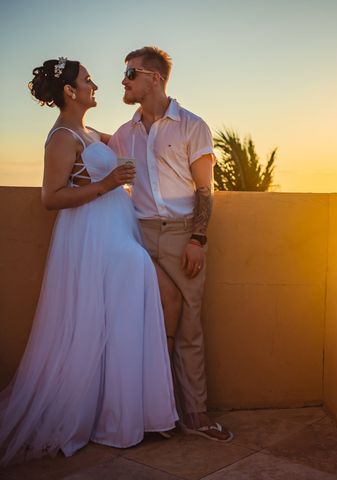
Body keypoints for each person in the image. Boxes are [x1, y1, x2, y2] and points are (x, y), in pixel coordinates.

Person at [0, 58, 178, 465]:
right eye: (87, 81)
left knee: (121, 313)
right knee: (128, 282)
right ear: (70, 92)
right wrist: (109, 183)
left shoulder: (90, 132)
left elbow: (135, 140)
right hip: (92, 238)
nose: (96, 85)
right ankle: (114, 418)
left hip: (116, 229)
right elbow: (50, 197)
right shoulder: (61, 136)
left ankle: (130, 415)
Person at [109, 46, 232, 442]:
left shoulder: (192, 125)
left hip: (183, 236)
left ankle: (195, 415)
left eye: (131, 73)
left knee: (190, 327)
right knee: (142, 322)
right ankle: (152, 414)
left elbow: (205, 190)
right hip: (138, 234)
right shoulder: (125, 134)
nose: (124, 81)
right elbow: (101, 163)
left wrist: (198, 237)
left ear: (155, 78)